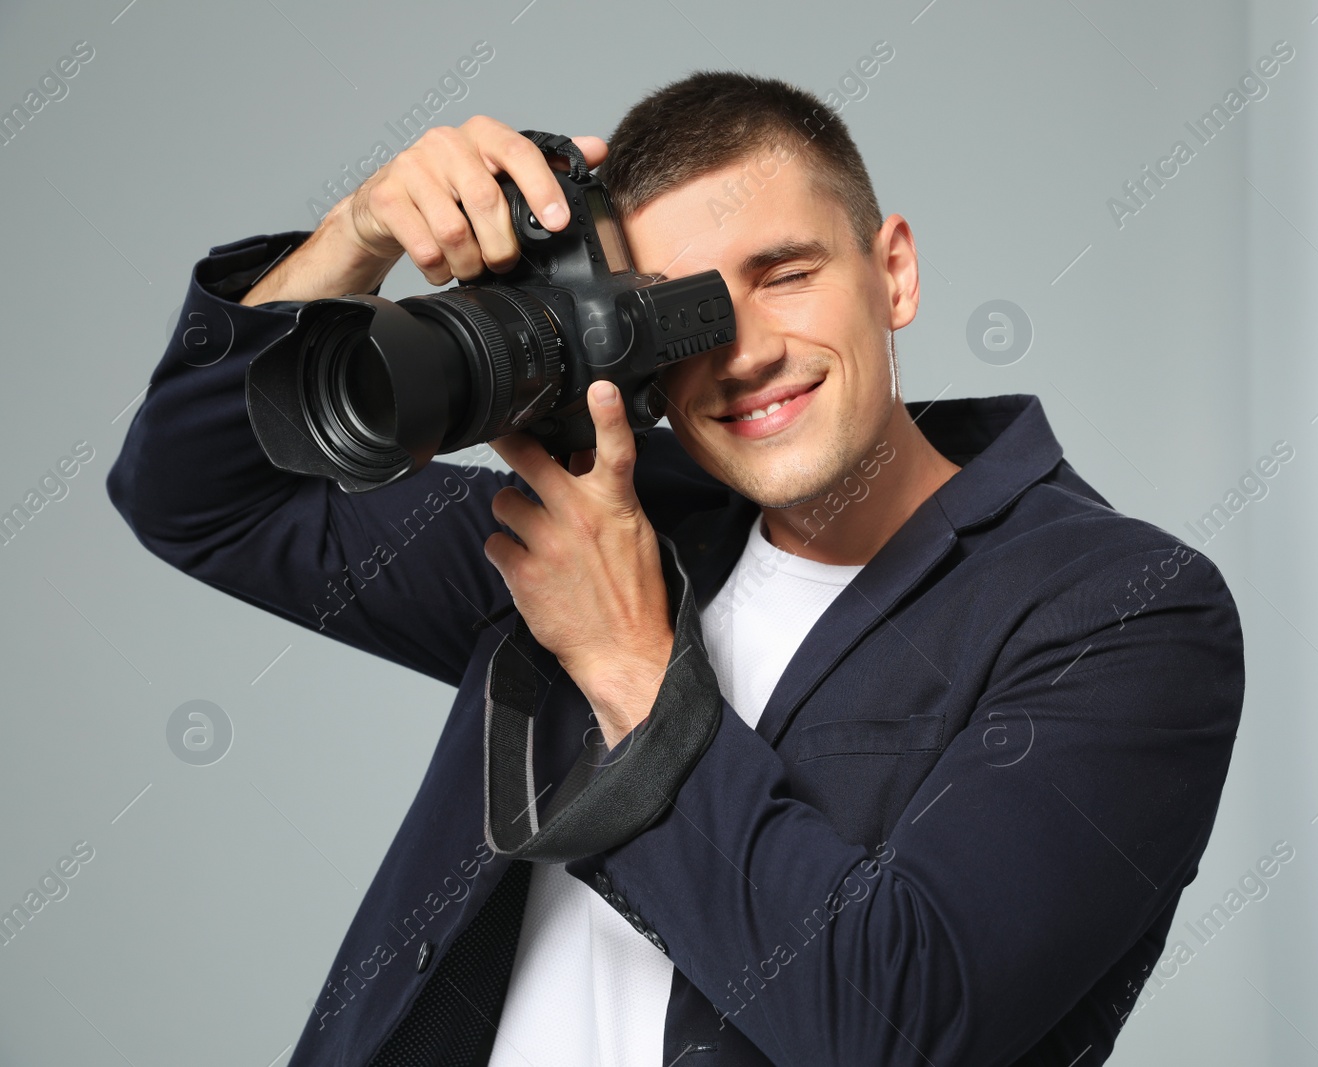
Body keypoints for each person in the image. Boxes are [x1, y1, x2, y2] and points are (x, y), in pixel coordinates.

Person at [107, 71, 1245, 1067]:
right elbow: (197, 492)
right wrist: (358, 234)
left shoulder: (1123, 607)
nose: (742, 350)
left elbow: (899, 1027)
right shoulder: (605, 519)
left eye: (785, 272)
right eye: (683, 310)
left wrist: (627, 664)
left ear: (891, 271)